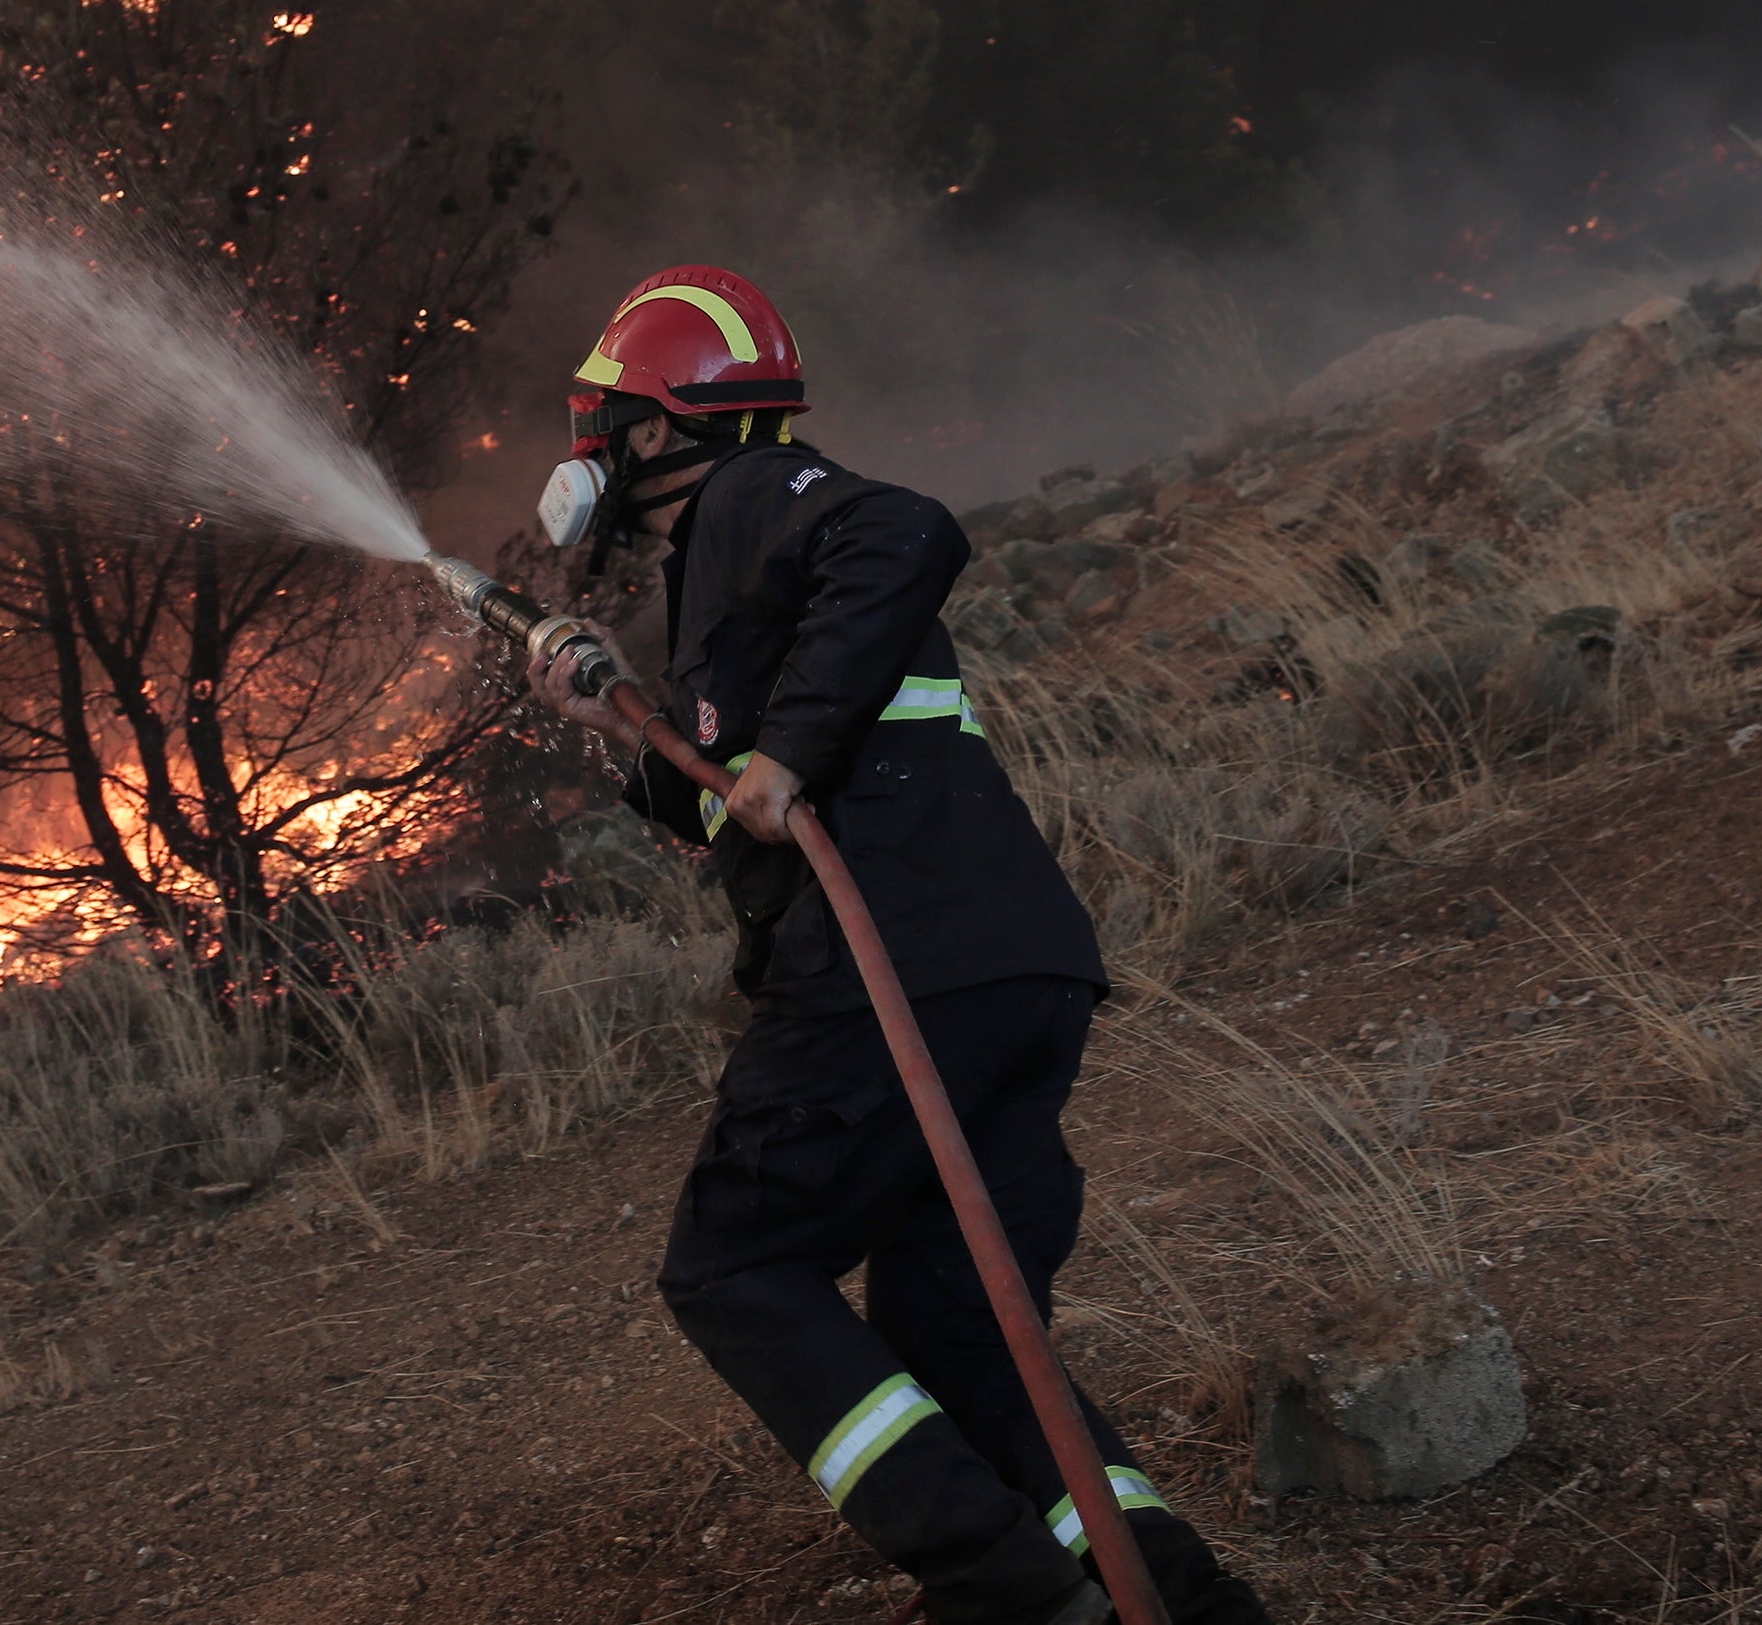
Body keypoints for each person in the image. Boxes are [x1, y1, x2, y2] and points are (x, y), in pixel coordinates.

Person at [523, 267, 1268, 1625]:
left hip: (894, 969)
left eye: (602, 424)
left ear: (654, 430)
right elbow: (726, 799)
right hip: (1007, 964)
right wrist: (614, 723)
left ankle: (1004, 1589)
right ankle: (1169, 1593)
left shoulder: (760, 498)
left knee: (734, 1262)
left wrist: (788, 757)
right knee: (957, 1323)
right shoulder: (724, 580)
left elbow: (906, 534)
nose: (586, 459)